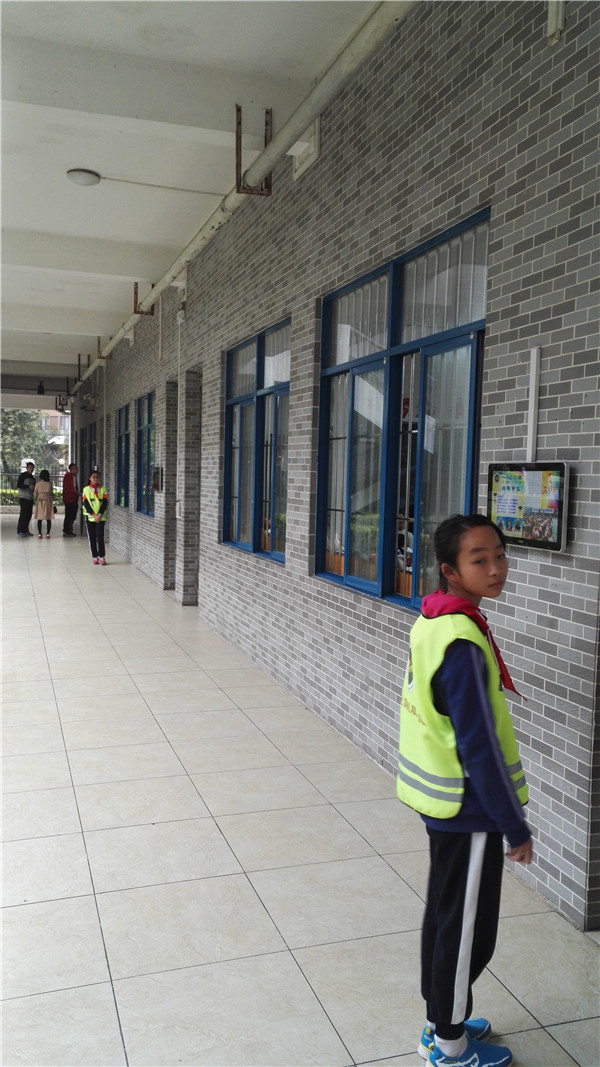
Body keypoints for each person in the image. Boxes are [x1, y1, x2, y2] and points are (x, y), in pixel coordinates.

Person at [397, 513, 532, 1067]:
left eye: (499, 554)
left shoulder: (435, 618)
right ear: (451, 570)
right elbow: (480, 748)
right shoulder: (461, 642)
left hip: (443, 802)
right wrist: (514, 826)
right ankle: (450, 1045)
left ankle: (440, 1021)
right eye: (480, 559)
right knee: (467, 932)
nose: (496, 568)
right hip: (468, 808)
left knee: (446, 915)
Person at [82, 468, 108, 565]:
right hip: (90, 517)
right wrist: (94, 515)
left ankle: (102, 556)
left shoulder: (103, 489)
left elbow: (104, 503)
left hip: (101, 517)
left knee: (100, 536)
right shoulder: (86, 490)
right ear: (90, 478)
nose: (96, 479)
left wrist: (99, 514)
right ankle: (95, 556)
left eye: (97, 477)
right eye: (94, 477)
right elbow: (86, 504)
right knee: (92, 537)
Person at [16, 462, 36, 536]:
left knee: (28, 515)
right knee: (23, 514)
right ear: (27, 468)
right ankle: (20, 531)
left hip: (30, 498)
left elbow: (34, 488)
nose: (31, 469)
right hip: (23, 497)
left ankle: (25, 530)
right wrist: (28, 486)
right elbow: (19, 485)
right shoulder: (22, 476)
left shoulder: (33, 478)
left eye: (32, 468)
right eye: (30, 467)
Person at [33, 469, 54, 538]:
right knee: (48, 518)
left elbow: (35, 494)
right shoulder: (49, 484)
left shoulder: (38, 484)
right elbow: (51, 493)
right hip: (47, 502)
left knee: (39, 518)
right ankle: (48, 534)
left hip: (40, 502)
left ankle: (40, 534)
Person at [62, 462, 79, 535]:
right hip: (70, 499)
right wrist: (78, 493)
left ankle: (68, 530)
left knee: (69, 515)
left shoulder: (71, 476)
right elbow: (73, 488)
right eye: (75, 469)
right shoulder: (70, 477)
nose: (77, 470)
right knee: (70, 515)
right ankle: (67, 530)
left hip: (69, 498)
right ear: (71, 469)